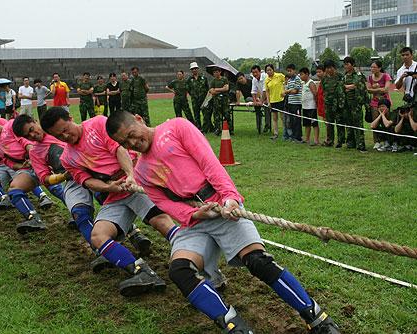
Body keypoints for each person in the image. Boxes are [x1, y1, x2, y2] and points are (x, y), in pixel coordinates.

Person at [105, 111, 340, 334]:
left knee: (258, 261)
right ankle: (234, 325)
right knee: (180, 271)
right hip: (195, 222)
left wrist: (230, 198)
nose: (132, 143)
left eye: (131, 135)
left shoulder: (176, 127)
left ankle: (317, 318)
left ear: (138, 119)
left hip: (222, 206)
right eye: (125, 143)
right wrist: (194, 215)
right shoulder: (143, 170)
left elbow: (210, 163)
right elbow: (163, 202)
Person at [40, 108, 178, 297]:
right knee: (98, 237)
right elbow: (86, 181)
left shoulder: (97, 124)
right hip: (114, 194)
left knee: (160, 222)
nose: (65, 136)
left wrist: (130, 175)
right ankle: (143, 273)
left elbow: (120, 149)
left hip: (136, 180)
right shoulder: (67, 157)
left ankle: (204, 268)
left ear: (71, 118)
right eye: (59, 136)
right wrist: (109, 188)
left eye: (65, 129)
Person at [0, 115, 54, 233]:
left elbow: (26, 141)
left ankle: (52, 201)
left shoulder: (10, 125)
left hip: (41, 158)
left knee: (56, 186)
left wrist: (34, 158)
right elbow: (8, 162)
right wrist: (22, 166)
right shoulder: (0, 147)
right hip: (28, 167)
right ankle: (34, 218)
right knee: (14, 189)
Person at [342, 57, 367, 152]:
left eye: (347, 64)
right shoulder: (344, 76)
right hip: (346, 103)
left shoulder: (358, 75)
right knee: (349, 123)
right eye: (345, 64)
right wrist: (349, 87)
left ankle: (360, 144)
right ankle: (350, 143)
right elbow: (341, 86)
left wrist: (349, 87)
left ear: (352, 65)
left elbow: (359, 85)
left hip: (356, 103)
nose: (346, 66)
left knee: (358, 124)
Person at [366, 60, 392, 150]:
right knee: (375, 121)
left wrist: (375, 88)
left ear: (379, 68)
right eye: (371, 67)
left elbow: (386, 89)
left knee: (386, 122)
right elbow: (368, 90)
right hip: (374, 103)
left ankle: (387, 141)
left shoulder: (386, 76)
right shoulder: (369, 77)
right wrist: (378, 89)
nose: (372, 69)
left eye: (374, 67)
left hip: (385, 103)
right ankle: (376, 141)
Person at [321, 60, 345, 147]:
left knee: (339, 123)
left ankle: (340, 141)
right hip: (328, 104)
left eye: (330, 68)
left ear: (334, 67)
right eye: (327, 68)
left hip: (338, 104)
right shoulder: (324, 78)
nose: (328, 70)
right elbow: (324, 90)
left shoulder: (340, 76)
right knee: (329, 123)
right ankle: (330, 140)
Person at [265, 64, 286, 140]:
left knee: (283, 117)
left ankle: (285, 133)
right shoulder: (267, 80)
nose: (269, 71)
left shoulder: (279, 75)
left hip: (281, 99)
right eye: (267, 70)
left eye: (270, 70)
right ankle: (275, 133)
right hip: (272, 100)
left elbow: (287, 81)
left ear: (273, 70)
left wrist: (284, 90)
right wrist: (268, 102)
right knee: (274, 118)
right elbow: (267, 92)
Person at [299, 67, 319, 145]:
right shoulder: (303, 83)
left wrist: (315, 105)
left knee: (314, 124)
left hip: (311, 107)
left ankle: (316, 140)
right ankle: (307, 139)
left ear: (307, 74)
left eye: (302, 74)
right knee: (306, 124)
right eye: (300, 75)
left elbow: (315, 94)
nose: (300, 76)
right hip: (305, 107)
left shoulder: (311, 83)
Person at [186, 62, 209, 130]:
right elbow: (188, 90)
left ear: (198, 69)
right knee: (196, 115)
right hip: (195, 100)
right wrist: (194, 95)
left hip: (203, 99)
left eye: (195, 68)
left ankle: (205, 128)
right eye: (193, 69)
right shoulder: (189, 80)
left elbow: (207, 88)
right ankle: (198, 128)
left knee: (205, 114)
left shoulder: (203, 78)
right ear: (191, 70)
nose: (194, 70)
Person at [209, 67, 231, 135]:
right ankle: (217, 130)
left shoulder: (224, 79)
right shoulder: (213, 81)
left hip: (225, 100)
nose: (216, 73)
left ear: (220, 72)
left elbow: (226, 88)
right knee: (217, 116)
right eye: (214, 72)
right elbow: (211, 91)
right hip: (216, 101)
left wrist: (216, 89)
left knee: (227, 115)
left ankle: (230, 130)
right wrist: (222, 90)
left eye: (217, 72)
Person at [284, 64, 303, 142]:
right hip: (290, 102)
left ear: (294, 70)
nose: (289, 72)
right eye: (288, 71)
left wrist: (287, 91)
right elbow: (287, 90)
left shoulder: (297, 79)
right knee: (291, 120)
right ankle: (293, 136)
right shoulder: (289, 80)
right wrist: (286, 92)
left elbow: (296, 91)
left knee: (297, 120)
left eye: (290, 71)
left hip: (297, 103)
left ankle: (298, 137)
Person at [251, 65, 269, 133]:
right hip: (263, 97)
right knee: (257, 107)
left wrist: (262, 101)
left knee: (266, 107)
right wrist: (255, 101)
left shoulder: (265, 76)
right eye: (253, 73)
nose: (255, 74)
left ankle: (267, 125)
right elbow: (253, 91)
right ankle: (258, 127)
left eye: (256, 72)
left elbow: (265, 90)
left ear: (260, 71)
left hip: (270, 96)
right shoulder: (254, 79)